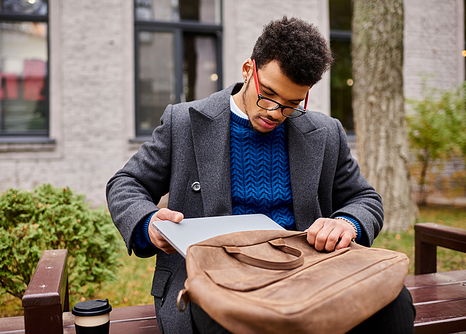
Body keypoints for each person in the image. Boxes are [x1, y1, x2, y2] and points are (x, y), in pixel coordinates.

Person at [106, 16, 415, 334]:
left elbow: (364, 198)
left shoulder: (325, 132)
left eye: (292, 104)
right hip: (212, 280)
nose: (274, 113)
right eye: (268, 95)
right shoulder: (184, 122)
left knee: (395, 302)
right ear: (247, 70)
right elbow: (125, 184)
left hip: (304, 274)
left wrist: (346, 223)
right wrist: (149, 223)